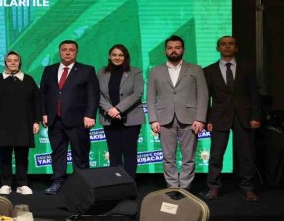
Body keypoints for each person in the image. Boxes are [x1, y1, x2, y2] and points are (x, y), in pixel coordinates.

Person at [203, 36, 262, 201]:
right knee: (216, 155)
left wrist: (256, 116)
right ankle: (213, 187)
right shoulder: (209, 70)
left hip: (244, 116)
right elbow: (205, 98)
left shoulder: (247, 68)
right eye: (223, 44)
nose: (227, 46)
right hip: (218, 117)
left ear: (236, 48)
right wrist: (207, 119)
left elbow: (254, 94)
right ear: (218, 48)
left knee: (246, 154)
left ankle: (248, 188)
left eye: (231, 44)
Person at [146, 35, 208, 189]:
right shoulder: (155, 71)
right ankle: (173, 188)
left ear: (183, 50)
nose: (173, 50)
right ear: (165, 51)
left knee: (189, 157)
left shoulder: (195, 69)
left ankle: (185, 189)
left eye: (177, 47)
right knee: (168, 158)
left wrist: (200, 119)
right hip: (164, 119)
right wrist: (153, 119)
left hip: (190, 119)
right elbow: (150, 97)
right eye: (170, 48)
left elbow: (203, 95)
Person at [39, 40, 98, 195]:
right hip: (54, 120)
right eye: (64, 49)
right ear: (59, 51)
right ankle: (57, 182)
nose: (67, 52)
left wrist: (90, 115)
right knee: (57, 153)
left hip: (78, 121)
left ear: (76, 52)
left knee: (80, 154)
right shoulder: (49, 70)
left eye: (71, 50)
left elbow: (93, 94)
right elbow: (43, 94)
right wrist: (44, 113)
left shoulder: (87, 70)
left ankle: (82, 185)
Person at [0, 51, 41, 195]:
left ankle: (22, 184)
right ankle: (6, 184)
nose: (12, 63)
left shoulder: (28, 79)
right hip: (2, 123)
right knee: (4, 154)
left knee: (22, 155)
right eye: (9, 60)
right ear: (5, 62)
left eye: (15, 60)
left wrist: (36, 121)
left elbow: (37, 101)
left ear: (19, 62)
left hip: (24, 123)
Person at [96, 44, 145, 180]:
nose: (117, 58)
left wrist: (118, 109)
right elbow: (96, 93)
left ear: (125, 57)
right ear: (109, 56)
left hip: (131, 119)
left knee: (130, 154)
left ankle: (130, 183)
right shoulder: (101, 72)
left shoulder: (135, 72)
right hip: (109, 119)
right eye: (114, 55)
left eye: (121, 55)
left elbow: (138, 93)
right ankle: (116, 184)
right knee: (114, 155)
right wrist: (110, 110)